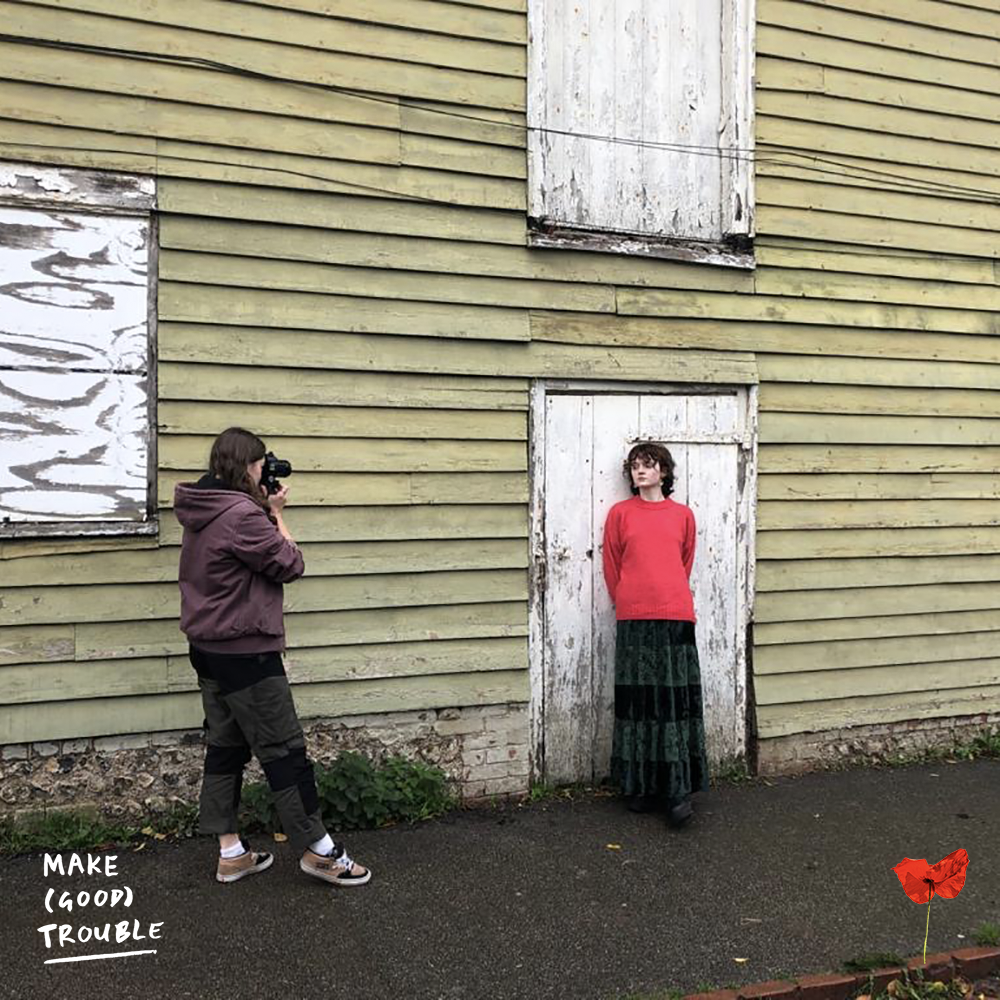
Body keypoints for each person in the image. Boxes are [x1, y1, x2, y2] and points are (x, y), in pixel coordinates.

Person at [174, 426, 371, 886]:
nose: (267, 471)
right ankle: (320, 851)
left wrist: (263, 507)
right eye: (262, 464)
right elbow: (289, 563)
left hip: (207, 650)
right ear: (247, 466)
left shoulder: (203, 508)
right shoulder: (243, 517)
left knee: (226, 747)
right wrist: (277, 514)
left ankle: (231, 852)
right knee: (284, 752)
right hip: (246, 653)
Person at [601, 441, 709, 828]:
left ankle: (677, 791)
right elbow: (612, 564)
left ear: (663, 471)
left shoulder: (683, 516)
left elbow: (685, 562)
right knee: (639, 703)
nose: (640, 471)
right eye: (634, 466)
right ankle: (640, 785)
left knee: (673, 704)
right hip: (633, 618)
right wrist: (628, 601)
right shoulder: (619, 514)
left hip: (676, 616)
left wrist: (666, 596)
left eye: (648, 465)